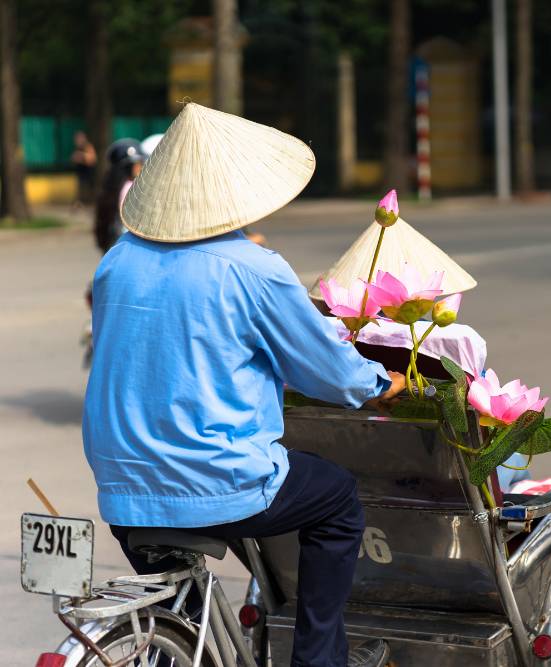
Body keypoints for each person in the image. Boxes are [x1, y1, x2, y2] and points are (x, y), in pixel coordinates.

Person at [83, 103, 403, 667]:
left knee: (184, 617)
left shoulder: (117, 261)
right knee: (336, 500)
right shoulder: (251, 267)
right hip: (216, 476)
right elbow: (327, 371)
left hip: (123, 485)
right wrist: (381, 382)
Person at [93, 138, 145, 253]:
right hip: (128, 245)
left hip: (116, 247)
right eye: (137, 164)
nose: (141, 167)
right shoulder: (131, 188)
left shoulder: (110, 190)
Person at [70, 130, 97, 206]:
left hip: (88, 172)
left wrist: (81, 156)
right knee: (80, 188)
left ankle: (90, 202)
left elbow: (92, 158)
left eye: (79, 138)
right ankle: (80, 202)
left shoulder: (87, 146)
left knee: (88, 188)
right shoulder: (78, 148)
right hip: (80, 172)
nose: (77, 141)